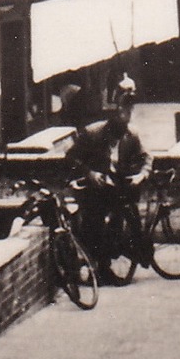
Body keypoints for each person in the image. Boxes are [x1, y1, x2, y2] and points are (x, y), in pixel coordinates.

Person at [66, 107, 152, 284]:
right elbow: (71, 157)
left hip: (117, 184)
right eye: (112, 141)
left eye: (117, 141)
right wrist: (90, 173)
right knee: (95, 222)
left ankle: (135, 250)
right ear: (107, 130)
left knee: (127, 217)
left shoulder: (131, 135)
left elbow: (146, 157)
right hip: (93, 186)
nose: (114, 144)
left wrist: (141, 175)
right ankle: (102, 268)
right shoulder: (92, 134)